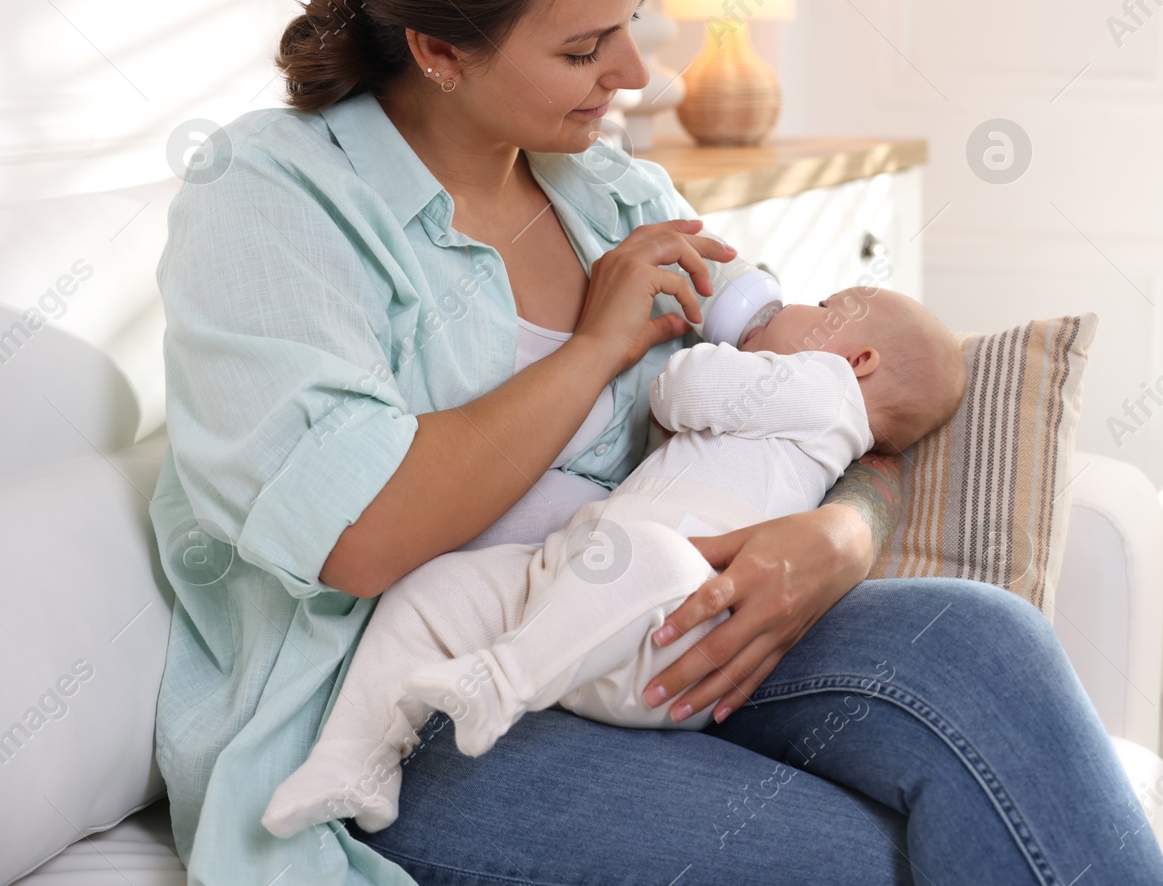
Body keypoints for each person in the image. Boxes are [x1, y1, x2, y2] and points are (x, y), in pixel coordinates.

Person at [150, 0, 1163, 882]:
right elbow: (360, 538)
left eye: (630, 21)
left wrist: (838, 533)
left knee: (986, 644)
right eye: (583, 48)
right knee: (854, 861)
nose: (634, 73)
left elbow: (814, 384)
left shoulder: (612, 188)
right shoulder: (273, 196)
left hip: (657, 617)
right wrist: (593, 348)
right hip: (421, 700)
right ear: (440, 49)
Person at [260, 288, 968, 838]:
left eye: (825, 305)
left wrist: (722, 356)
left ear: (858, 360)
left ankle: (497, 681)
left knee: (659, 556)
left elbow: (681, 389)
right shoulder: (816, 404)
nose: (794, 305)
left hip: (666, 628)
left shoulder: (819, 384)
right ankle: (354, 761)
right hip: (580, 585)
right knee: (434, 588)